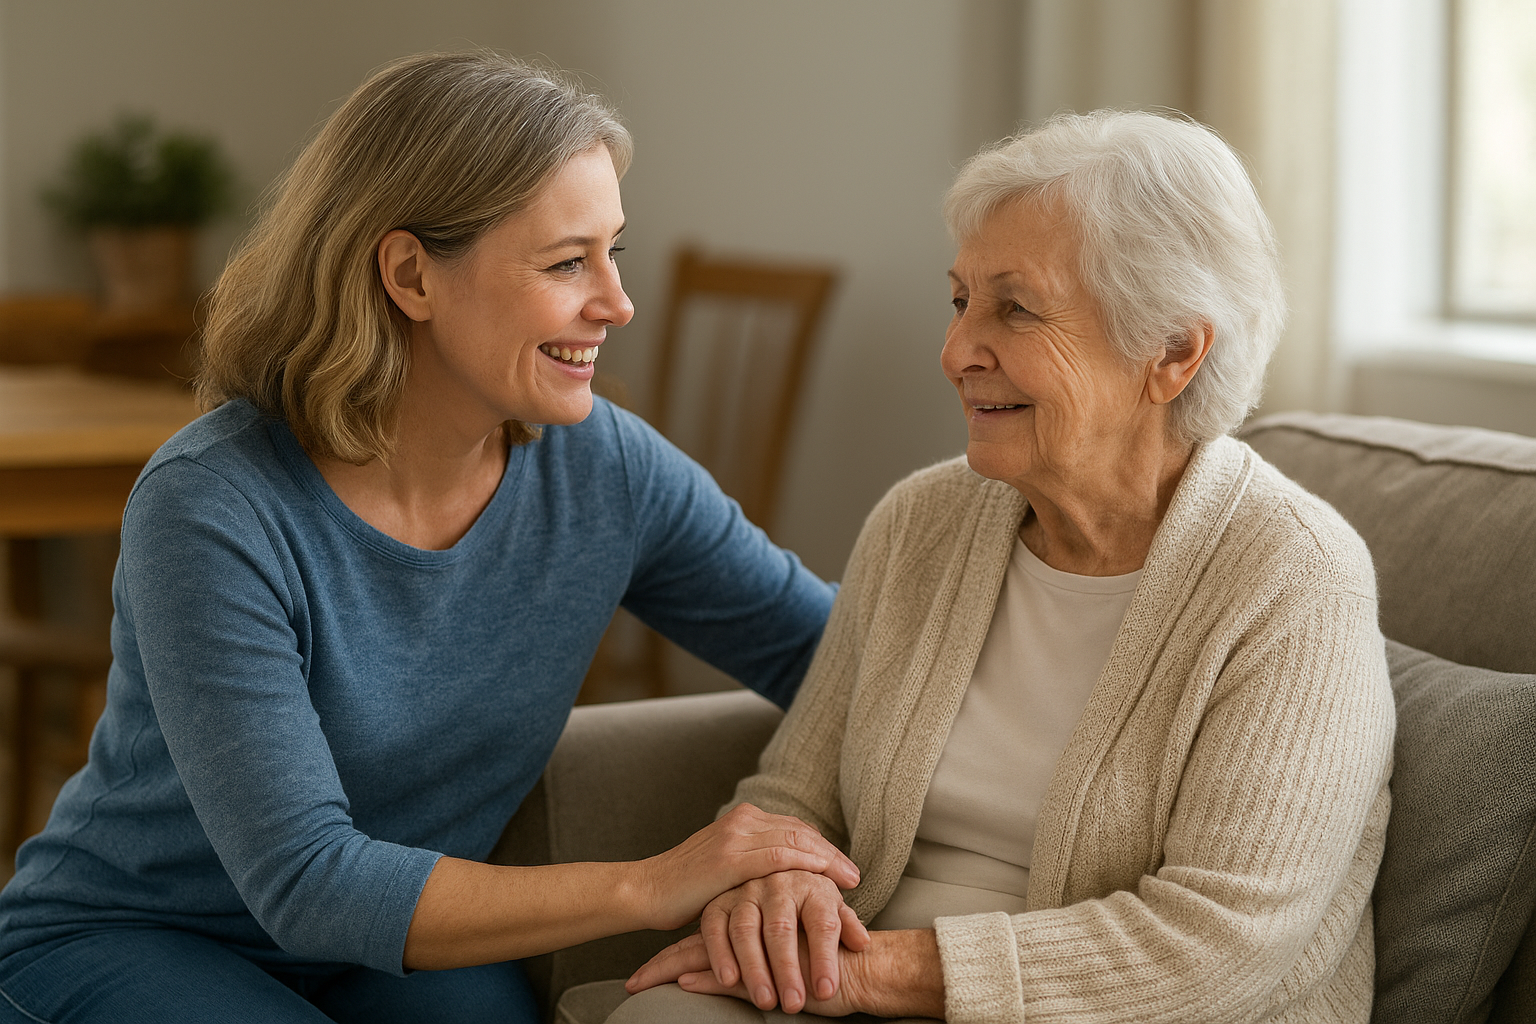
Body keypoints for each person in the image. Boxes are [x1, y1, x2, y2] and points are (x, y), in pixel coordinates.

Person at [0, 52, 859, 1024]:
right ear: (410, 274)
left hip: (396, 951)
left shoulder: (606, 470)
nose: (617, 301)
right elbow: (311, 880)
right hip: (140, 931)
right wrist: (657, 880)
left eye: (615, 250)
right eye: (568, 260)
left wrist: (813, 843)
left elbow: (834, 657)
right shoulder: (214, 504)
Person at [613, 110, 1395, 1023]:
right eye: (960, 301)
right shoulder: (921, 522)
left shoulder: (1294, 581)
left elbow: (1217, 945)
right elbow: (795, 791)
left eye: (1015, 309)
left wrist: (860, 975)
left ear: (1174, 352)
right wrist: (777, 894)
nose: (954, 353)